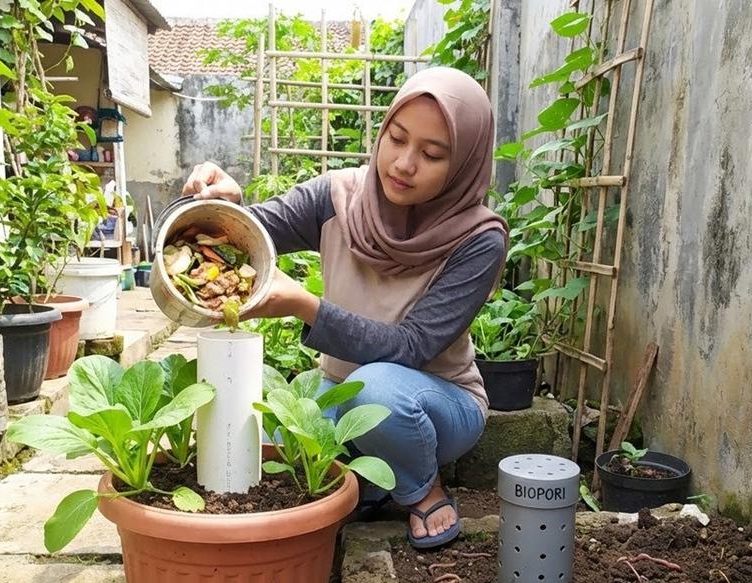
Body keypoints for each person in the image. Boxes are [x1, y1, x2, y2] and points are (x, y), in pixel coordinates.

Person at [181, 67, 507, 549]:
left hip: (435, 402)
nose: (403, 163)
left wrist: (304, 305)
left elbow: (410, 347)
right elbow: (247, 237)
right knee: (271, 428)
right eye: (396, 138)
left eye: (432, 154)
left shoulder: (479, 239)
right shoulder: (337, 197)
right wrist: (225, 206)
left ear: (463, 165)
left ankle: (421, 488)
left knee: (373, 390)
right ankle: (372, 483)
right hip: (339, 388)